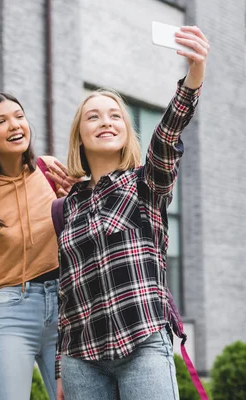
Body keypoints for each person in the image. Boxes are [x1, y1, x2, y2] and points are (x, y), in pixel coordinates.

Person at [55, 26, 210, 400]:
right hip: (81, 357)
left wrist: (193, 76)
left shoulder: (145, 185)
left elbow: (167, 136)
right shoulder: (66, 206)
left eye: (115, 116)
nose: (105, 121)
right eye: (93, 117)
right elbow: (66, 293)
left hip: (141, 342)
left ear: (126, 131)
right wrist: (61, 368)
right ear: (80, 135)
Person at [0, 92, 77, 400]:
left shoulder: (50, 172)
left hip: (64, 308)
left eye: (19, 116)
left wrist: (77, 196)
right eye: (1, 121)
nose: (14, 125)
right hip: (10, 312)